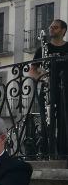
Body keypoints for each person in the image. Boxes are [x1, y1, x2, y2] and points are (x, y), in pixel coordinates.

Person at [32, 18, 68, 155]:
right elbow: (32, 70)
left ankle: (63, 153)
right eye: (51, 27)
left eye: (55, 27)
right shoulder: (42, 49)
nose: (51, 29)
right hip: (47, 90)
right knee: (46, 121)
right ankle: (48, 153)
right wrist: (42, 78)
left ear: (63, 30)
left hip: (65, 90)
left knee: (64, 122)